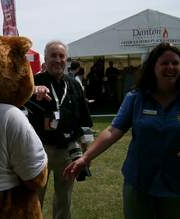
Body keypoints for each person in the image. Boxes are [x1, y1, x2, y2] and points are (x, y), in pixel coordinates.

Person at [63, 42, 180, 219]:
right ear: (153, 67)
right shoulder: (136, 97)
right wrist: (85, 157)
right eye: (164, 63)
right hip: (139, 180)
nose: (171, 67)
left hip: (175, 181)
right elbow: (113, 130)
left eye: (175, 63)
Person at [26, 40, 92, 219]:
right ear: (45, 60)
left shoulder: (74, 85)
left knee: (64, 199)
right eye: (53, 56)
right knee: (35, 199)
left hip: (67, 151)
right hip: (39, 151)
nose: (58, 60)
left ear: (66, 60)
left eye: (61, 56)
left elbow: (84, 120)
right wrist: (31, 90)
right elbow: (14, 105)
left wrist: (87, 152)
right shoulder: (33, 82)